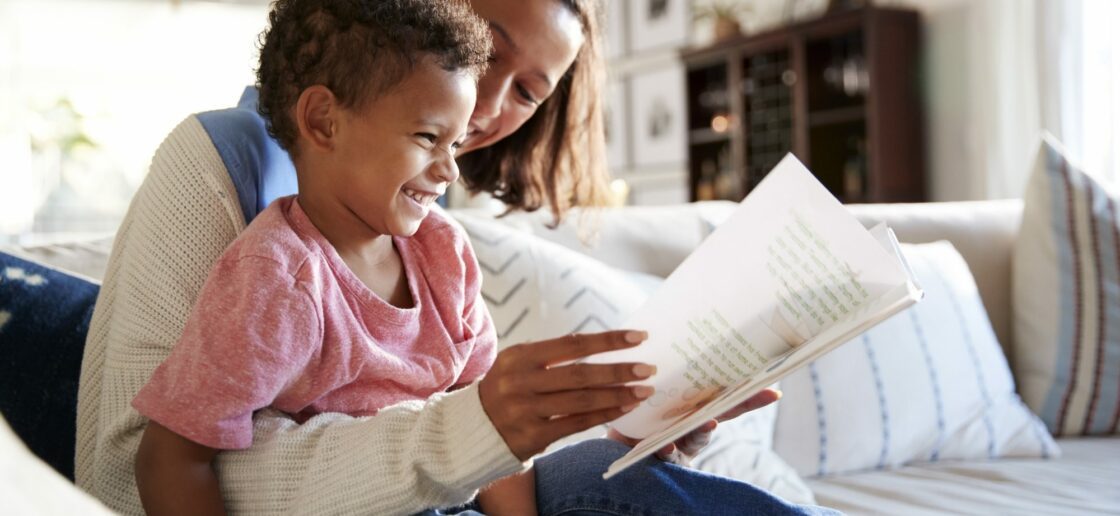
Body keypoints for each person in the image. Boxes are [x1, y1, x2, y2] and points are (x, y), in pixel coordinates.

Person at [76, 0, 832, 514]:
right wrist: (470, 432)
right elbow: (147, 464)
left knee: (644, 485)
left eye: (529, 93)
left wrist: (653, 425)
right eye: (488, 49)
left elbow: (473, 432)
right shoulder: (259, 230)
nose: (480, 121)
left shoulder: (430, 232)